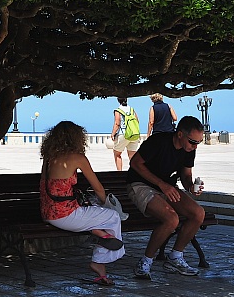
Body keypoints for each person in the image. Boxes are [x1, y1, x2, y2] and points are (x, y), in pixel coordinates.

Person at [38, 121, 125, 286]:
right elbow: (98, 188)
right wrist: (105, 203)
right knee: (112, 217)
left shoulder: (49, 158)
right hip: (65, 215)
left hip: (47, 213)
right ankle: (99, 260)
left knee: (97, 216)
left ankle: (100, 235)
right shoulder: (78, 158)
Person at [124, 115, 206, 280]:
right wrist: (162, 184)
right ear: (180, 134)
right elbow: (135, 164)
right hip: (140, 185)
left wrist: (191, 187)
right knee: (171, 219)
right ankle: (145, 261)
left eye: (198, 143)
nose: (195, 147)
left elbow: (186, 175)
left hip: (166, 188)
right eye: (192, 142)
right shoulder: (158, 142)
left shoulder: (188, 150)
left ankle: (175, 257)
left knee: (198, 214)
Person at [109, 98, 142, 171]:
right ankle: (134, 172)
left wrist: (113, 134)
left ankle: (119, 172)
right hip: (134, 135)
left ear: (118, 100)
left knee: (117, 154)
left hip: (123, 134)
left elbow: (117, 123)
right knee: (132, 156)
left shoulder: (118, 110)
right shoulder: (132, 109)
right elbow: (137, 121)